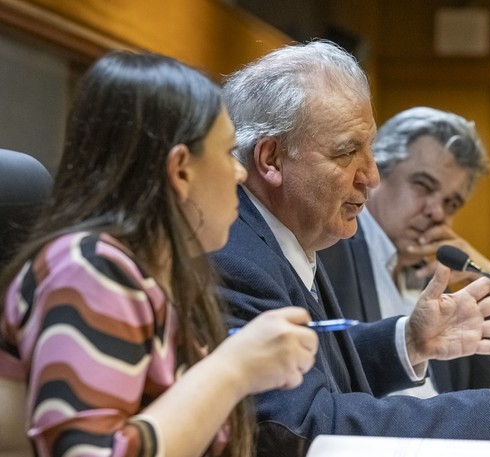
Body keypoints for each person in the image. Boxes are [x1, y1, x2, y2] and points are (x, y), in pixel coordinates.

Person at [211, 39, 490, 457]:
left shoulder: (285, 235)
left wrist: (408, 340)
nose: (371, 176)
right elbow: (300, 425)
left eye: (369, 149)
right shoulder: (236, 257)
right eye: (347, 152)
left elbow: (309, 370)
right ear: (271, 159)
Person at [0, 51, 319, 457]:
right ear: (181, 170)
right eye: (226, 153)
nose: (239, 172)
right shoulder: (88, 270)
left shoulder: (160, 274)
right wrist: (234, 370)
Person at [318, 107, 490, 396]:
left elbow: (482, 394)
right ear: (377, 172)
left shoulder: (434, 277)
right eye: (423, 186)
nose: (437, 212)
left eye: (451, 203)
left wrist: (489, 283)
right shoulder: (329, 250)